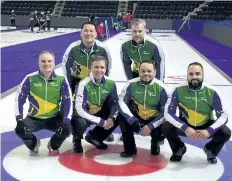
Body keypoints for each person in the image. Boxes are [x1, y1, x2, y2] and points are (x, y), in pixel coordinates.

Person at [163, 62, 231, 164]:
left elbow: (223, 115)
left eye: (197, 74)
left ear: (203, 75)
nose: (194, 77)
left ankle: (211, 149)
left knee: (225, 132)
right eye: (191, 74)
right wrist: (185, 128)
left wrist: (209, 130)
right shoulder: (178, 90)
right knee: (165, 126)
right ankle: (179, 148)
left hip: (206, 125)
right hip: (185, 124)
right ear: (187, 75)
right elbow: (168, 113)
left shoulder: (212, 91)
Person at [62, 22, 114, 142]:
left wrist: (102, 83)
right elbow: (65, 66)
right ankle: (77, 137)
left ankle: (102, 130)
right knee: (78, 110)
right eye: (85, 30)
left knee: (106, 105)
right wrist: (71, 85)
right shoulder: (72, 48)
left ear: (96, 33)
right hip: (77, 83)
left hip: (97, 82)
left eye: (91, 31)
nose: (88, 33)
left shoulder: (102, 48)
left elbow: (108, 66)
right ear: (81, 33)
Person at [14, 51, 72, 156]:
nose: (46, 63)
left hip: (54, 118)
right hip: (33, 118)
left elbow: (68, 101)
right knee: (20, 131)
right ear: (39, 63)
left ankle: (53, 145)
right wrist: (19, 119)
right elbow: (19, 99)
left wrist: (66, 120)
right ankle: (34, 143)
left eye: (49, 61)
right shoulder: (29, 79)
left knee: (68, 129)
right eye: (43, 61)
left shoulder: (61, 80)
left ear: (54, 63)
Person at [120, 18, 165, 141]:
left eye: (140, 31)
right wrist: (131, 81)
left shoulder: (154, 44)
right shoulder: (125, 45)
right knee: (130, 101)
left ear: (145, 30)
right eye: (134, 31)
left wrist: (159, 82)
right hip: (136, 73)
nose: (137, 34)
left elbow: (160, 63)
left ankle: (157, 131)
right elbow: (125, 63)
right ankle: (128, 129)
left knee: (156, 102)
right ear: (131, 31)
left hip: (151, 73)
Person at [118, 61, 168, 157]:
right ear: (138, 71)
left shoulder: (162, 88)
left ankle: (155, 142)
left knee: (167, 124)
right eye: (143, 71)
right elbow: (121, 102)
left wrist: (151, 126)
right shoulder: (131, 84)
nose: (146, 74)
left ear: (155, 72)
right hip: (137, 117)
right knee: (121, 117)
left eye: (149, 71)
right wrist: (132, 119)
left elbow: (165, 112)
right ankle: (130, 149)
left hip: (154, 119)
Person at [72, 56, 119, 153]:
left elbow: (115, 103)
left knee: (119, 114)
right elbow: (79, 110)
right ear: (91, 68)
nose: (99, 70)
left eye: (102, 67)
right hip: (85, 114)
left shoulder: (111, 83)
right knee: (78, 122)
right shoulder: (83, 84)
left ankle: (94, 137)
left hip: (99, 111)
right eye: (96, 67)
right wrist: (102, 122)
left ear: (106, 69)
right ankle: (76, 140)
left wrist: (110, 119)